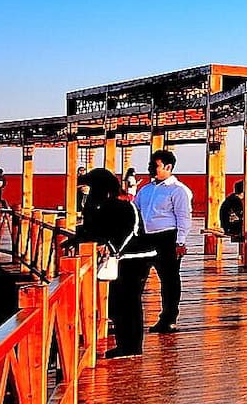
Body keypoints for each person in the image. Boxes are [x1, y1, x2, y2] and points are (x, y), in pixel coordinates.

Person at [73, 169, 140, 358]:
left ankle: (130, 346)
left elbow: (96, 230)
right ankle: (127, 344)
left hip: (130, 259)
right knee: (122, 302)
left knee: (126, 302)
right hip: (124, 257)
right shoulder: (111, 205)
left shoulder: (117, 207)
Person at [132, 150, 192, 335]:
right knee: (135, 278)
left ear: (168, 167)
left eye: (155, 165)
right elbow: (135, 209)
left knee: (169, 280)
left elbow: (183, 217)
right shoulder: (146, 189)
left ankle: (168, 319)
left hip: (167, 238)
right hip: (145, 238)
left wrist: (180, 242)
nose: (151, 168)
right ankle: (129, 319)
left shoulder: (178, 190)